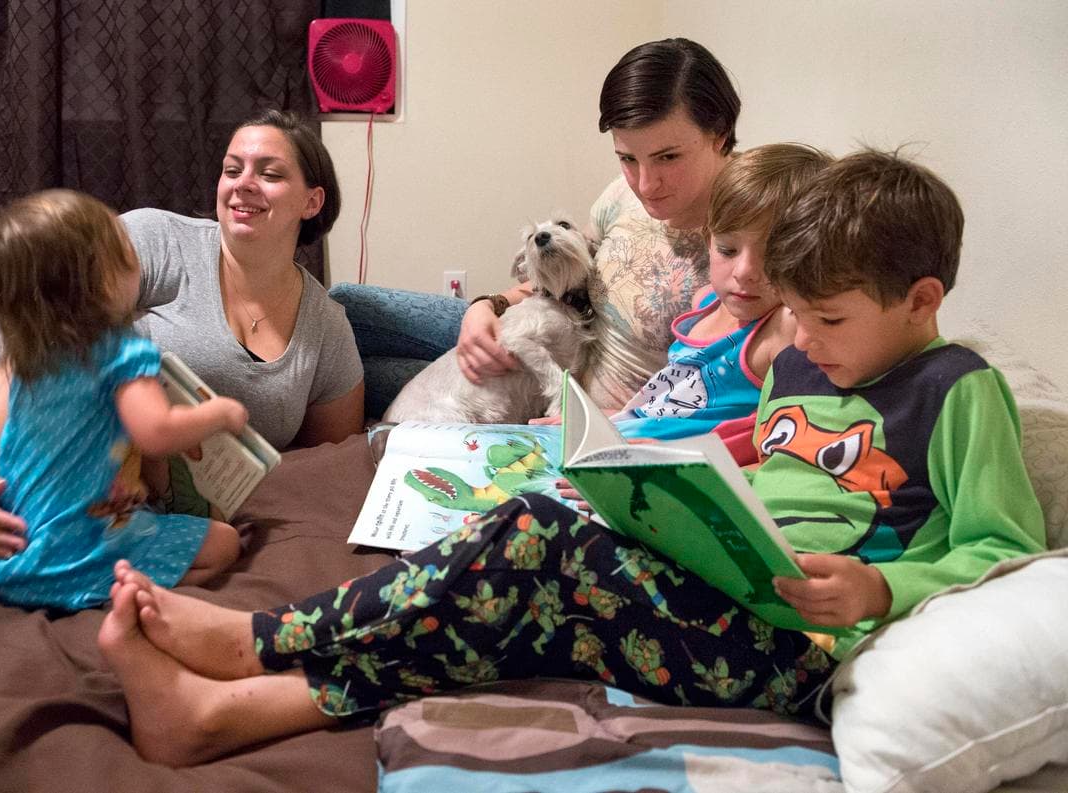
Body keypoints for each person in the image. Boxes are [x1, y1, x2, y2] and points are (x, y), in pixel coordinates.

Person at [97, 148, 1046, 766]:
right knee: (514, 606)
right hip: (724, 591)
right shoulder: (800, 362)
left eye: (830, 319)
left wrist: (880, 592)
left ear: (922, 300)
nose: (808, 338)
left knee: (537, 536)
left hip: (795, 649)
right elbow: (763, 473)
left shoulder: (957, 390)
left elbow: (1002, 549)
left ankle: (260, 640)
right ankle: (235, 711)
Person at [0, 109, 365, 554]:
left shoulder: (327, 330)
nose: (243, 183)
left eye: (270, 173)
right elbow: (41, 328)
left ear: (312, 201)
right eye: (232, 169)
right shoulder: (160, 241)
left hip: (53, 458)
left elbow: (326, 462)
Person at [333, 37, 739, 412]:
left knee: (376, 385)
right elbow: (564, 271)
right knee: (350, 310)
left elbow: (721, 391)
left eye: (668, 157)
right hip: (549, 326)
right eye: (628, 158)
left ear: (720, 134)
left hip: (575, 393)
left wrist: (610, 425)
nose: (645, 185)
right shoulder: (622, 194)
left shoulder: (746, 237)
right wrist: (488, 306)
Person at [0, 189, 246, 610]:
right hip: (80, 556)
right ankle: (112, 592)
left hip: (10, 566)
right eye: (128, 252)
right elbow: (156, 434)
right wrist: (219, 413)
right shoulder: (122, 353)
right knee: (226, 544)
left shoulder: (23, 362)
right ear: (101, 280)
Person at [536, 142, 831, 471]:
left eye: (772, 254)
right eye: (728, 249)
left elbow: (784, 443)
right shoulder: (704, 302)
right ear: (709, 239)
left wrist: (676, 459)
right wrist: (612, 420)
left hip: (668, 476)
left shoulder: (784, 327)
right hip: (621, 438)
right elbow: (671, 405)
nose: (745, 272)